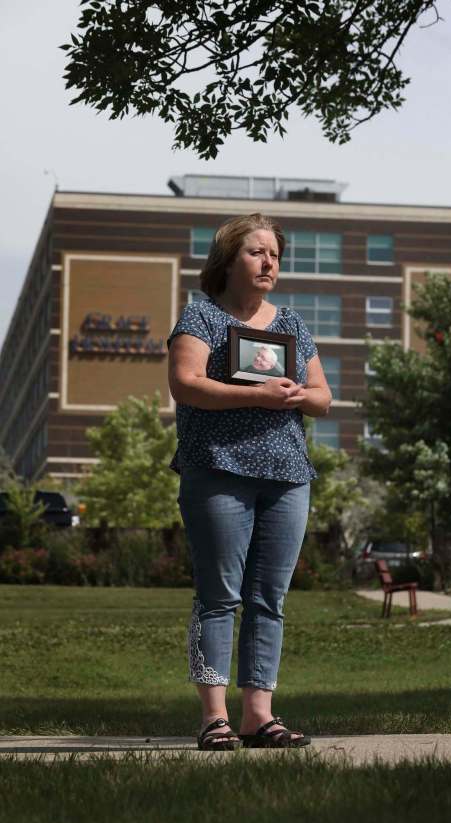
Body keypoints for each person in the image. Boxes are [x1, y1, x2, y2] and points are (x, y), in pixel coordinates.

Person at [167, 212, 332, 750]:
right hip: (218, 469)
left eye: (275, 255)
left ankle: (258, 717)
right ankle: (214, 718)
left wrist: (297, 395)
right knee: (219, 595)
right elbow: (185, 384)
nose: (269, 263)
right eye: (257, 252)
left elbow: (323, 398)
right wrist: (258, 395)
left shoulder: (293, 325)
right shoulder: (202, 317)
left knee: (268, 598)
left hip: (288, 477)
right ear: (228, 258)